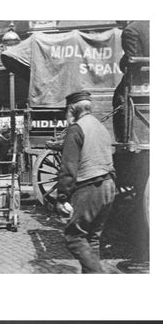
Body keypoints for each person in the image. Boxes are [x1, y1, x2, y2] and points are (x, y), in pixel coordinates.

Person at [56, 91, 116, 273]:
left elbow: (69, 167)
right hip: (109, 185)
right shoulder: (100, 126)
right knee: (92, 238)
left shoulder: (76, 128)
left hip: (90, 186)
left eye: (67, 110)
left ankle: (98, 274)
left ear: (72, 109)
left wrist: (62, 197)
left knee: (74, 237)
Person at [112, 21, 149, 142]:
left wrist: (123, 62)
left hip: (142, 81)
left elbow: (133, 61)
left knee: (119, 97)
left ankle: (124, 139)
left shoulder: (131, 30)